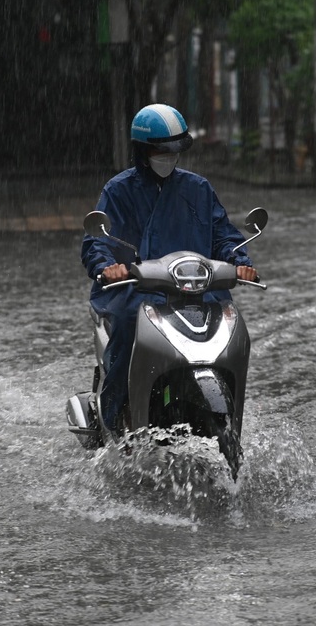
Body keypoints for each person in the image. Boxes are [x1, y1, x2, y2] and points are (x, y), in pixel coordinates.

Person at [80, 103, 258, 432]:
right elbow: (96, 242)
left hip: (196, 290)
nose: (169, 158)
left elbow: (224, 235)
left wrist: (240, 262)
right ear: (142, 151)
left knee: (229, 325)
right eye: (161, 152)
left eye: (174, 152)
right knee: (127, 327)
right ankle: (113, 416)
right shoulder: (118, 191)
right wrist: (108, 267)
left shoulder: (198, 189)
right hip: (136, 291)